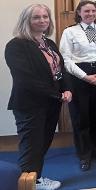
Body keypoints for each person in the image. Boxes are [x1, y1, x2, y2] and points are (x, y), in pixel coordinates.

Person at [5, 4, 72, 189]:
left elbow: (60, 70)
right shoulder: (16, 45)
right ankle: (27, 184)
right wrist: (58, 95)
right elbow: (26, 80)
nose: (42, 20)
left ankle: (36, 179)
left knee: (42, 144)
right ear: (26, 20)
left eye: (45, 16)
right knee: (31, 147)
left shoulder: (48, 43)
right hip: (30, 105)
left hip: (51, 103)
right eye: (36, 17)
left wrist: (66, 89)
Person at [59, 0, 96, 171]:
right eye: (86, 11)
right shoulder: (70, 32)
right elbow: (66, 59)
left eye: (93, 11)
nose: (90, 14)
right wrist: (85, 77)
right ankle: (84, 154)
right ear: (79, 13)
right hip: (79, 76)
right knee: (81, 117)